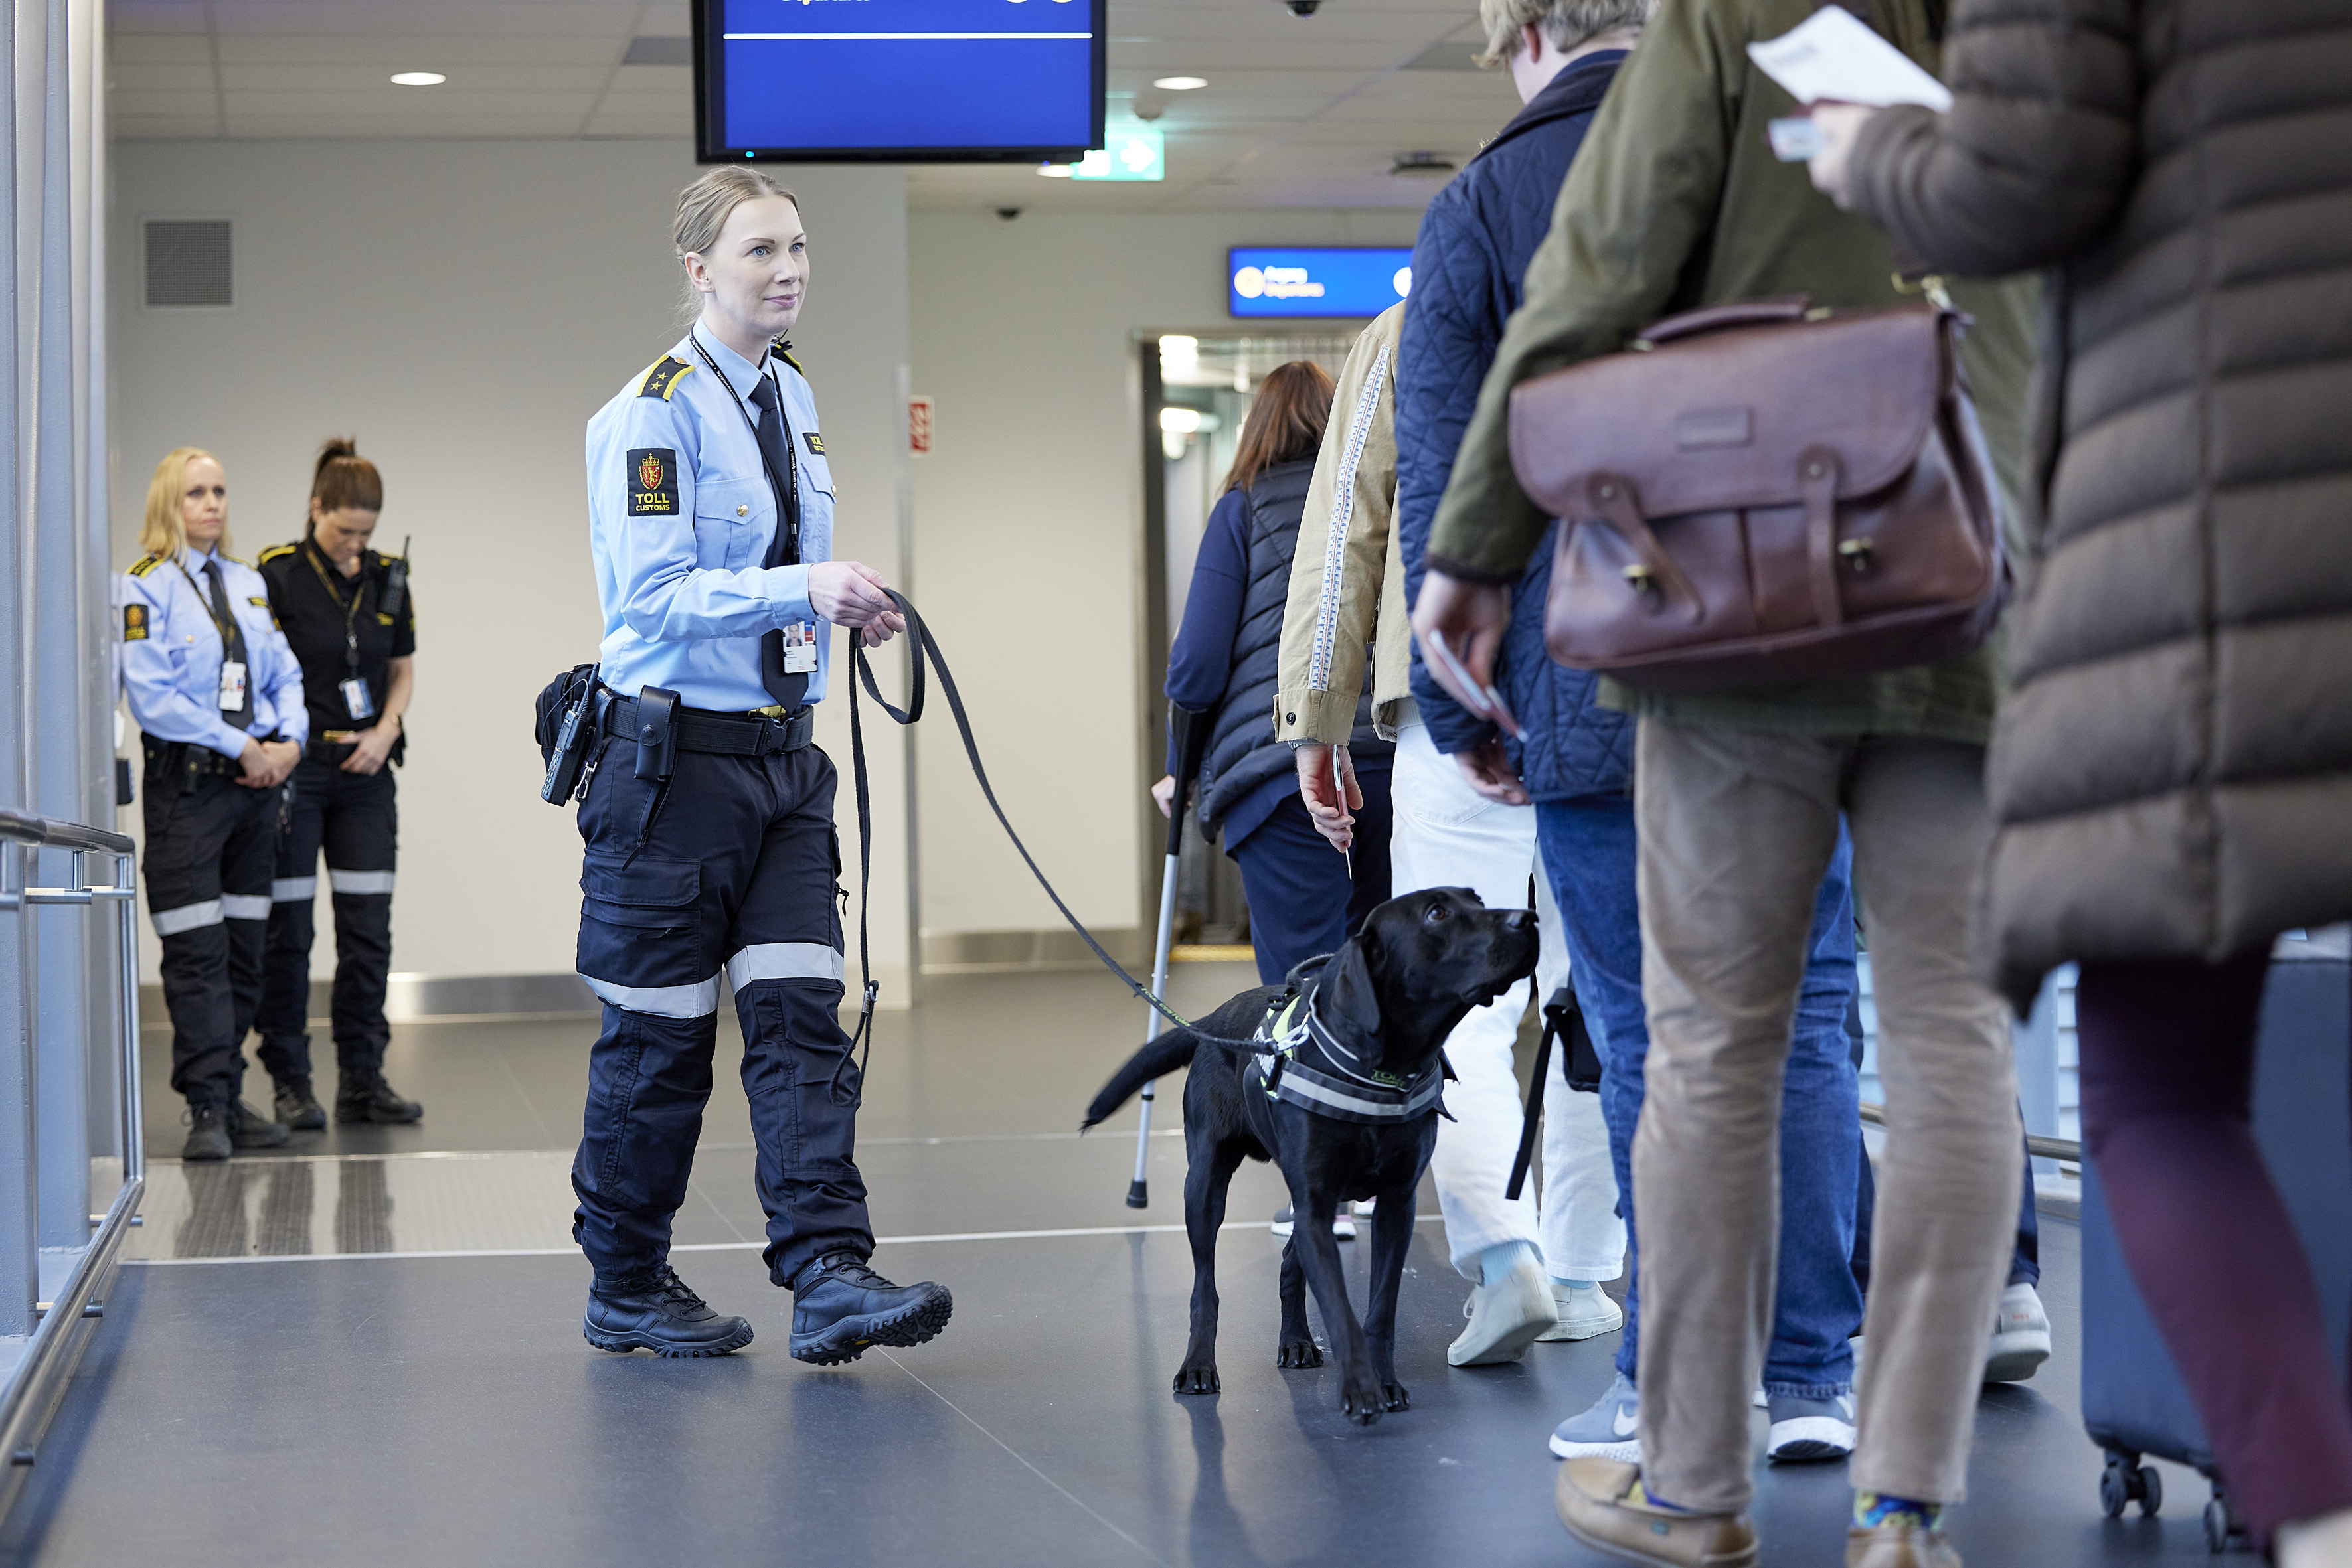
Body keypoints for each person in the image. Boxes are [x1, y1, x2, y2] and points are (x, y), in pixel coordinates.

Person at [1410, 0, 2039, 1560]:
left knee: (1705, 1044)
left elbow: (1597, 280)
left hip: (1738, 595)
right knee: (1953, 1039)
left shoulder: (1727, 22)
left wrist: (1477, 547)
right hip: (1968, 575)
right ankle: (1905, 1498)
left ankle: (1692, 1481)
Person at [1812, 6, 2352, 1563]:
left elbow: (2028, 174)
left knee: (2158, 1090)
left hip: (2218, 526)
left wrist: (1874, 145)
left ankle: (2320, 1520)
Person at [1376, 0, 1873, 1444]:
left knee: (1653, 1034)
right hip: (1792, 657)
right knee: (1805, 1016)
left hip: (1586, 668)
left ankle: (1677, 1382)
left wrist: (1468, 694)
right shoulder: (1770, 152)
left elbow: (1447, 460)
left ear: (1518, 31)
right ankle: (1807, 1380)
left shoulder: (1483, 202)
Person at [569, 167, 950, 1364]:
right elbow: (653, 595)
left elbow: (785, 564)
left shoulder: (791, 396)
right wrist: (803, 585)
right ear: (698, 271)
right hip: (672, 772)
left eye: (796, 248)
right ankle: (626, 1280)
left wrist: (844, 604)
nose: (786, 270)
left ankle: (828, 1269)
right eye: (758, 253)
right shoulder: (654, 412)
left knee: (800, 1020)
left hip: (786, 767)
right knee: (660, 1039)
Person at [1275, 298, 1628, 1364]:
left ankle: (1502, 1261)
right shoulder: (1653, 278)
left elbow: (1349, 530)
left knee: (1451, 1004)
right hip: (1618, 693)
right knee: (1596, 1000)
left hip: (1454, 700)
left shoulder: (1412, 319)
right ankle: (1580, 1272)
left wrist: (1316, 716)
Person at [1155, 360, 1395, 990]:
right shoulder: (1373, 499)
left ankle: (1301, 1090)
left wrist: (1180, 771)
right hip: (1393, 764)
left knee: (1301, 982)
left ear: (1256, 428)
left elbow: (1198, 663)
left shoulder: (1242, 507)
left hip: (1283, 775)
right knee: (1385, 978)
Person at [119, 447, 308, 1162]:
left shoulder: (248, 583)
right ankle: (204, 1107)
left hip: (255, 794)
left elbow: (284, 675)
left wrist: (288, 741)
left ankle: (229, 1095)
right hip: (189, 795)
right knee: (196, 954)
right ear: (169, 502)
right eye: (197, 492)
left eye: (221, 491)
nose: (212, 504)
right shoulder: (142, 587)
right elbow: (153, 698)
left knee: (244, 953)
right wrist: (240, 746)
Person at [254, 439, 422, 1131]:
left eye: (366, 533)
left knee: (366, 932)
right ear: (314, 509)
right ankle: (291, 1081)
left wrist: (386, 728)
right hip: (299, 772)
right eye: (342, 530)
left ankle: (363, 1076)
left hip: (366, 773)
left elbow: (405, 666)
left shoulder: (388, 577)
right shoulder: (277, 573)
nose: (354, 545)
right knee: (288, 933)